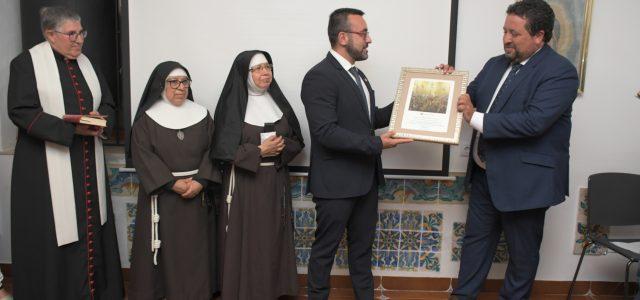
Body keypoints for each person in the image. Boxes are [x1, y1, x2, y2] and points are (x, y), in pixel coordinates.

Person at [451, 0, 579, 298]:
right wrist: (449, 83)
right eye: (504, 30)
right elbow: (470, 96)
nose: (506, 38)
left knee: (522, 259)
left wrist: (474, 116)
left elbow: (534, 122)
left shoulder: (560, 72)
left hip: (527, 184)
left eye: (515, 33)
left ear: (540, 36)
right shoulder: (495, 64)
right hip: (485, 177)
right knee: (474, 249)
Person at [7, 6, 123, 299]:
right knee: (53, 236)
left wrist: (100, 118)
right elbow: (21, 110)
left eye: (81, 32)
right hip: (45, 169)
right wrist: (70, 130)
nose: (79, 40)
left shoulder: (88, 64)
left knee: (92, 228)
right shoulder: (26, 63)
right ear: (50, 34)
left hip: (87, 163)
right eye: (71, 34)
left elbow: (108, 103)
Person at [301, 8, 415, 300]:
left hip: (366, 181)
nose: (369, 39)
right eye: (363, 33)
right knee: (324, 250)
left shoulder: (358, 76)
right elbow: (326, 132)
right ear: (342, 37)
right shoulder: (319, 77)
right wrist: (378, 145)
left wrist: (421, 90)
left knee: (362, 252)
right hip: (335, 185)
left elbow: (370, 119)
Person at [212, 50, 304, 300]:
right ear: (245, 73)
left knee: (273, 238)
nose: (266, 73)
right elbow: (222, 150)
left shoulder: (277, 103)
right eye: (258, 68)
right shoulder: (233, 107)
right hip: (244, 184)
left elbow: (297, 140)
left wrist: (282, 146)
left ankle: (273, 289)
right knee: (249, 240)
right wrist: (259, 151)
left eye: (268, 67)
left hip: (275, 181)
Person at [128, 61, 220, 299]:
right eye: (173, 82)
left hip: (198, 194)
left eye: (185, 82)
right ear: (161, 85)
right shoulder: (147, 119)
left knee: (195, 250)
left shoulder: (202, 114)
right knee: (166, 251)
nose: (180, 88)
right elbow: (142, 154)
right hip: (163, 198)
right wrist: (171, 183)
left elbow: (214, 151)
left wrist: (201, 180)